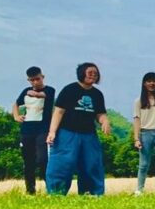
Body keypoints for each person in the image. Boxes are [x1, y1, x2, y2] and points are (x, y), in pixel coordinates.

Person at [45, 62, 111, 195]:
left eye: (95, 74)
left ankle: (91, 193)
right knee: (63, 163)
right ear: (81, 73)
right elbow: (58, 112)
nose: (93, 76)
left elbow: (100, 114)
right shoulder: (69, 90)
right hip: (67, 133)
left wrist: (105, 122)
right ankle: (56, 193)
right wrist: (52, 132)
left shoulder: (97, 94)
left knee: (91, 163)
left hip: (89, 135)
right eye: (90, 73)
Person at [11, 66, 56, 194]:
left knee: (42, 159)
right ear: (28, 80)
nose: (35, 82)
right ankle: (30, 190)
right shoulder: (25, 91)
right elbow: (16, 103)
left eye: (37, 79)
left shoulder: (50, 90)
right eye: (32, 80)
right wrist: (16, 115)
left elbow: (43, 95)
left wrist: (35, 94)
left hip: (43, 129)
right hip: (27, 130)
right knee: (28, 161)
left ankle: (51, 189)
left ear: (42, 77)